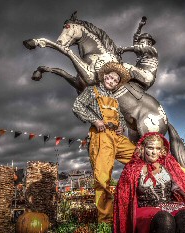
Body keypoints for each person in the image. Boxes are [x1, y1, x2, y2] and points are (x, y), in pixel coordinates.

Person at [72, 62, 136, 224]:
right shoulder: (91, 91)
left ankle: (144, 200)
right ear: (105, 76)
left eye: (116, 80)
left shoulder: (115, 98)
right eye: (111, 78)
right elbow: (77, 106)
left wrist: (121, 127)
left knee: (139, 157)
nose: (112, 81)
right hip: (101, 136)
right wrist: (94, 120)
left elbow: (120, 117)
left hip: (117, 136)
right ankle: (106, 222)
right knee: (102, 178)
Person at [114, 132, 185, 233]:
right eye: (150, 148)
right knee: (164, 219)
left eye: (158, 148)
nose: (154, 152)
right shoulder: (132, 169)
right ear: (142, 148)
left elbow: (183, 187)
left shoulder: (168, 165)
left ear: (162, 150)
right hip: (146, 208)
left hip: (169, 205)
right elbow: (123, 197)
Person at [117, 16, 158, 89]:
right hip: (139, 73)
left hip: (147, 76)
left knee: (125, 66)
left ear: (149, 43)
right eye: (140, 42)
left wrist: (123, 49)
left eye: (142, 42)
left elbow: (138, 47)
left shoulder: (152, 50)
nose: (139, 44)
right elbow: (135, 40)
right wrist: (140, 27)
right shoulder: (140, 52)